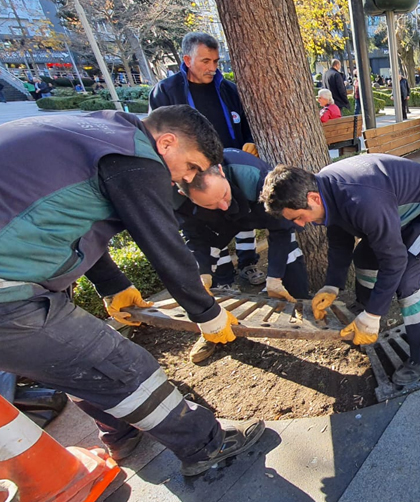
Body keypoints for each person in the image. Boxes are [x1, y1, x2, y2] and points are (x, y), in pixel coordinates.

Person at [0, 105, 265, 477]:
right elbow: (162, 243)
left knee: (71, 363)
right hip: (8, 293)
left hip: (13, 275)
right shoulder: (135, 156)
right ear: (167, 143)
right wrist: (207, 313)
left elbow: (74, 227)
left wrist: (113, 285)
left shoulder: (99, 133)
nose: (187, 179)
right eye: (191, 167)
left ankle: (121, 432)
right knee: (118, 364)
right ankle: (205, 444)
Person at [259, 154, 420, 385]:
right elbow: (340, 241)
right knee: (363, 256)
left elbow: (394, 261)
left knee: (407, 281)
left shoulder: (361, 200)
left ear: (313, 198)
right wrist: (331, 285)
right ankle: (363, 310)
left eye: (300, 217)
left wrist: (374, 316)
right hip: (393, 207)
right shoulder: (326, 190)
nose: (301, 225)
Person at [149, 32, 264, 288]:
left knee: (242, 215)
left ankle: (248, 263)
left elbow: (245, 123)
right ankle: (222, 276)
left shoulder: (227, 89)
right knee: (208, 221)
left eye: (215, 61)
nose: (212, 68)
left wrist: (250, 142)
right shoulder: (166, 91)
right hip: (195, 174)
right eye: (205, 61)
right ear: (187, 59)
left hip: (230, 168)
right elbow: (157, 136)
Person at [176, 149, 310, 363]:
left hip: (253, 208)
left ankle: (304, 308)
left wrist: (274, 278)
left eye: (222, 195)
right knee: (209, 276)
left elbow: (280, 229)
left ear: (220, 172)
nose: (221, 204)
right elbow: (195, 239)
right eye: (210, 202)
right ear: (185, 194)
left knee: (289, 255)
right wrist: (201, 273)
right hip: (217, 224)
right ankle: (213, 329)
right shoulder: (178, 198)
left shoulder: (254, 176)